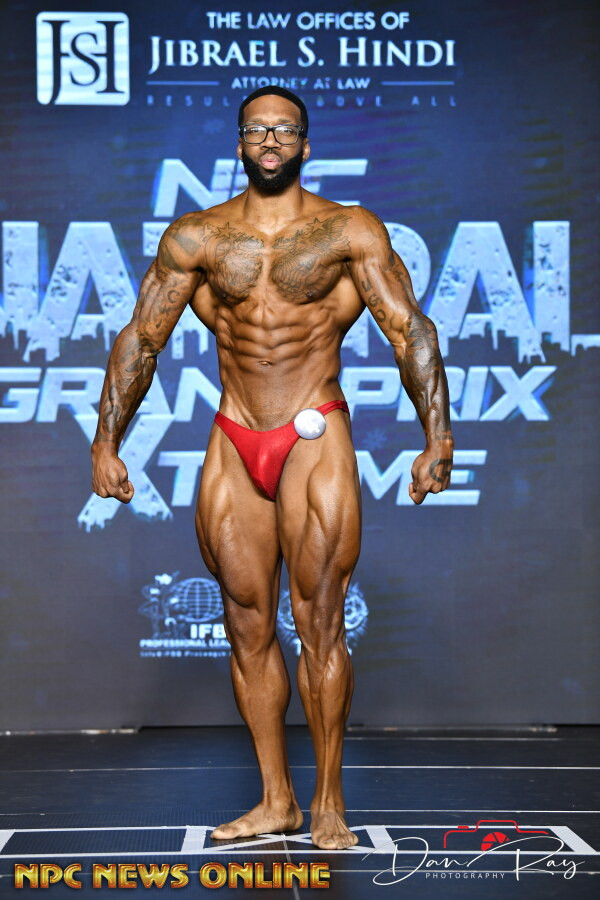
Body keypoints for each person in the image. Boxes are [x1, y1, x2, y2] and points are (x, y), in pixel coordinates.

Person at [91, 86, 454, 850]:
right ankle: (276, 800)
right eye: (257, 128)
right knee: (246, 623)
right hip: (235, 433)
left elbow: (408, 330)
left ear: (305, 144)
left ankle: (328, 803)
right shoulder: (197, 236)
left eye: (284, 129)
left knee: (319, 620)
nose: (270, 139)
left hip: (313, 429)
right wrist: (105, 442)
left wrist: (437, 436)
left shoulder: (348, 230)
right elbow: (143, 339)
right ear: (239, 142)